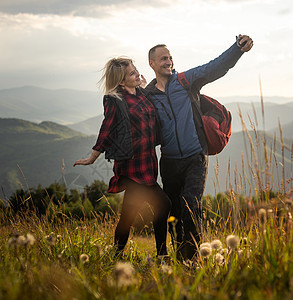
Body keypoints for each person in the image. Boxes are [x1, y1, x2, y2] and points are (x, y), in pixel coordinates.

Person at [144, 34, 254, 261]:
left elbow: (215, 67)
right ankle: (179, 257)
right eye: (163, 58)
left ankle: (193, 260)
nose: (168, 61)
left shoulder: (185, 80)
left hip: (196, 157)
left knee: (191, 206)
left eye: (170, 57)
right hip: (169, 161)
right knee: (173, 212)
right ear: (152, 63)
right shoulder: (148, 95)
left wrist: (237, 49)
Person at [73, 57, 172, 257]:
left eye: (136, 71)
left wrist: (142, 86)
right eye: (132, 74)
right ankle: (162, 255)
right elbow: (106, 128)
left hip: (148, 162)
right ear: (121, 81)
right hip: (132, 166)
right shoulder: (115, 100)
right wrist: (92, 157)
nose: (137, 75)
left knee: (128, 215)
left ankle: (116, 255)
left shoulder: (141, 94)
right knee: (164, 204)